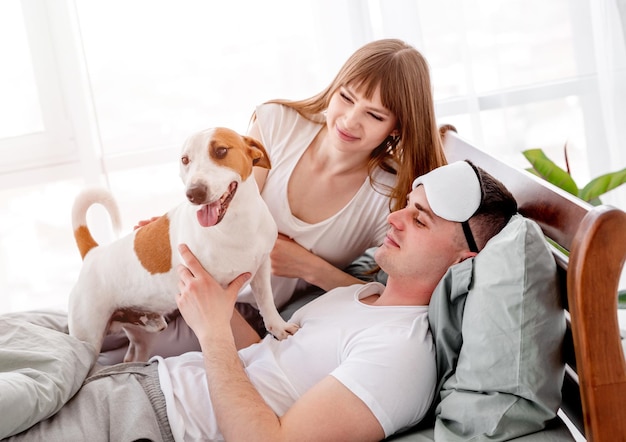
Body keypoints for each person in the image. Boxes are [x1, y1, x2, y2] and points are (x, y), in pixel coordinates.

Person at [3, 161, 518, 441]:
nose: (396, 218)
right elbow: (264, 361)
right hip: (143, 382)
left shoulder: (402, 357)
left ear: (463, 262)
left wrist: (209, 332)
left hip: (152, 420)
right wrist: (211, 294)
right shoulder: (359, 296)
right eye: (407, 205)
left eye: (421, 219)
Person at [99, 38, 448, 362]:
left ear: (397, 128)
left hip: (249, 310)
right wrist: (172, 229)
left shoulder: (385, 198)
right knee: (89, 326)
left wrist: (307, 266)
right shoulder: (278, 123)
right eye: (346, 96)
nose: (349, 120)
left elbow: (395, 298)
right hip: (187, 277)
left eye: (374, 115)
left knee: (124, 361)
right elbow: (223, 196)